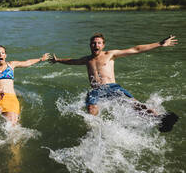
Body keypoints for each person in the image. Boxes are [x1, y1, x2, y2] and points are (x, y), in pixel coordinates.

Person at [49, 33, 178, 131]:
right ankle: (96, 130)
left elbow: (136, 49)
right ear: (90, 45)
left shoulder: (110, 54)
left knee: (136, 105)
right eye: (93, 43)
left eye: (99, 43)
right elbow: (72, 61)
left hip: (112, 87)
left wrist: (160, 44)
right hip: (96, 91)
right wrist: (58, 60)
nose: (96, 45)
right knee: (91, 108)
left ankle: (159, 119)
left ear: (103, 45)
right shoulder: (87, 60)